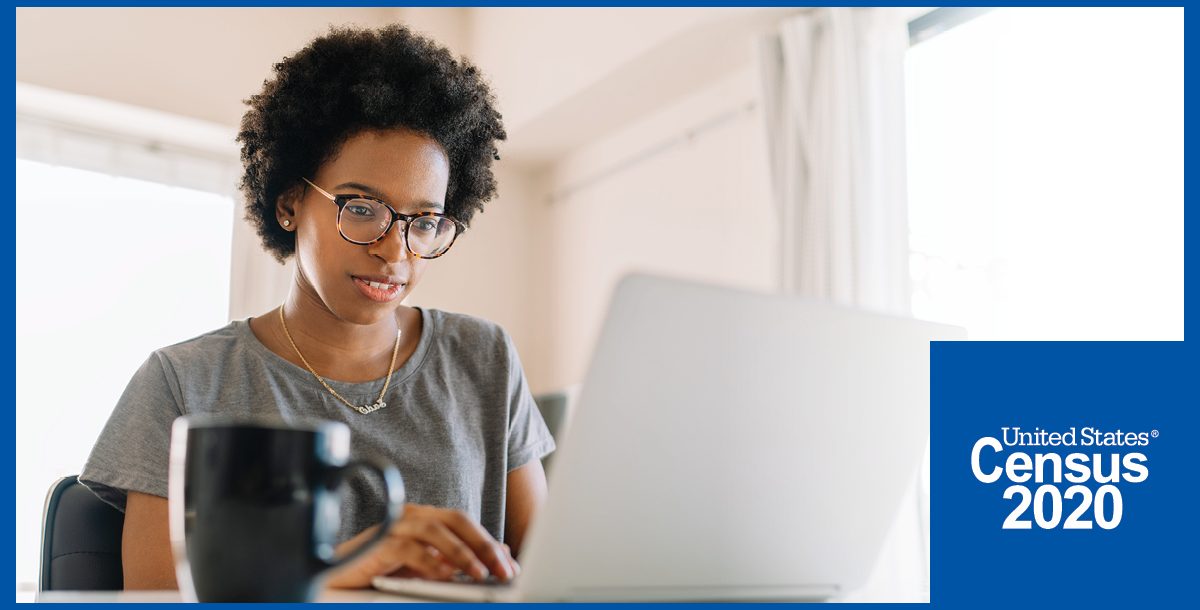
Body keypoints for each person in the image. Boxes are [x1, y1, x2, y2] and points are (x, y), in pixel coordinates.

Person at [79, 24, 555, 591]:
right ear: (288, 203)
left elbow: (552, 579)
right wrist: (340, 571)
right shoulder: (183, 384)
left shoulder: (485, 359)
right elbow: (155, 603)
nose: (394, 250)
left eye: (423, 222)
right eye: (361, 209)